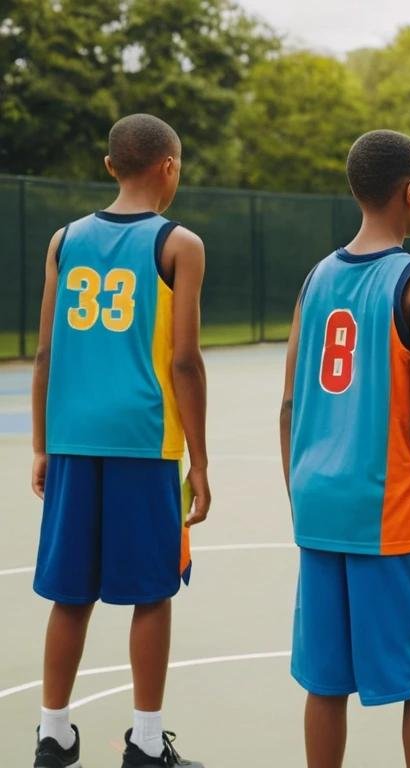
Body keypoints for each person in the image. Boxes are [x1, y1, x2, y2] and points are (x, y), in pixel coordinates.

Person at [279, 129, 410, 768]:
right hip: (389, 511)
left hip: (320, 504)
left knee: (325, 681)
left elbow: (288, 406)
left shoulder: (315, 279)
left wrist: (299, 495)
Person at [30, 113, 210, 768]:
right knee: (152, 590)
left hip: (74, 438)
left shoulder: (63, 240)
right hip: (143, 439)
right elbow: (185, 361)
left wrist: (42, 445)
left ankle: (53, 736)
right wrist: (203, 459)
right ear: (169, 167)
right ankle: (143, 740)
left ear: (111, 166)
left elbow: (47, 353)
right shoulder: (177, 245)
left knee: (70, 594)